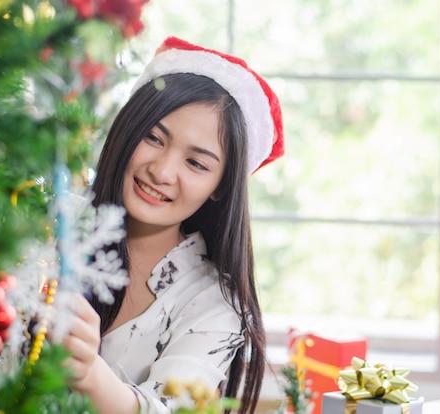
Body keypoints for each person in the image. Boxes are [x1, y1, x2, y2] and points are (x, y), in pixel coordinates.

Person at [61, 36, 284, 414]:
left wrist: (89, 373)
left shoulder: (214, 304)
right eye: (153, 138)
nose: (162, 171)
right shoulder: (49, 224)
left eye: (197, 164)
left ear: (220, 187)